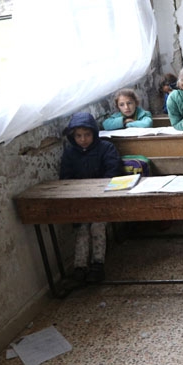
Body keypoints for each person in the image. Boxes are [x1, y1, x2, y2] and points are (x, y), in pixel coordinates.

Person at [58, 112, 122, 284]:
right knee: (81, 230)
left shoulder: (106, 148)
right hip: (80, 201)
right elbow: (65, 177)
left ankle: (97, 264)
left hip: (103, 199)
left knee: (97, 227)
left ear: (94, 133)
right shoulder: (70, 153)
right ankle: (80, 267)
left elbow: (113, 171)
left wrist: (98, 189)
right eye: (78, 136)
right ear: (73, 136)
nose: (83, 139)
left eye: (87, 135)